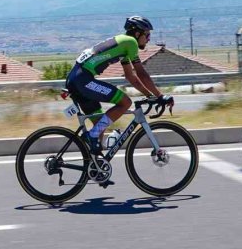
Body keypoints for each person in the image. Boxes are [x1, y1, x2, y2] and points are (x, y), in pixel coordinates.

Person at [65, 16, 174, 155]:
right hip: (83, 80)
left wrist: (149, 95)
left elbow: (131, 77)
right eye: (147, 35)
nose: (149, 39)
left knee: (100, 124)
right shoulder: (130, 43)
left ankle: (96, 167)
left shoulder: (123, 44)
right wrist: (160, 96)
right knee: (125, 102)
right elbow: (141, 73)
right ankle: (91, 137)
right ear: (137, 33)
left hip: (77, 79)